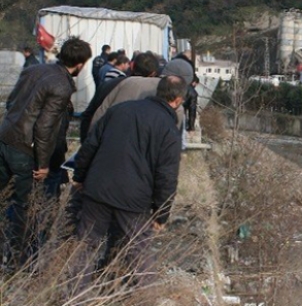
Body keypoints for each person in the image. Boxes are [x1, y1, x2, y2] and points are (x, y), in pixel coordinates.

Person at [72, 75, 186, 288]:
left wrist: (79, 177)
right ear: (179, 100)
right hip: (134, 201)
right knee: (139, 252)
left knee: (85, 246)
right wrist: (161, 215)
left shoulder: (120, 110)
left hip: (98, 189)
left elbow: (90, 146)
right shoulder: (169, 130)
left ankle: (73, 296)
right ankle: (142, 297)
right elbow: (167, 176)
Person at [0, 37, 91, 265]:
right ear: (80, 63)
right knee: (24, 208)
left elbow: (12, 103)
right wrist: (42, 164)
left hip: (5, 138)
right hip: (25, 151)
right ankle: (16, 265)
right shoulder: (62, 85)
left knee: (3, 201)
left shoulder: (34, 69)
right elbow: (45, 127)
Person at [91, 58, 192, 130]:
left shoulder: (128, 82)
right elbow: (170, 145)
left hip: (107, 145)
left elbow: (100, 113)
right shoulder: (175, 103)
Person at [79, 52, 160, 143]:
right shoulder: (158, 91)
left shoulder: (109, 85)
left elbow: (89, 115)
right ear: (153, 73)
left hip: (105, 142)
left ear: (132, 66)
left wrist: (86, 145)